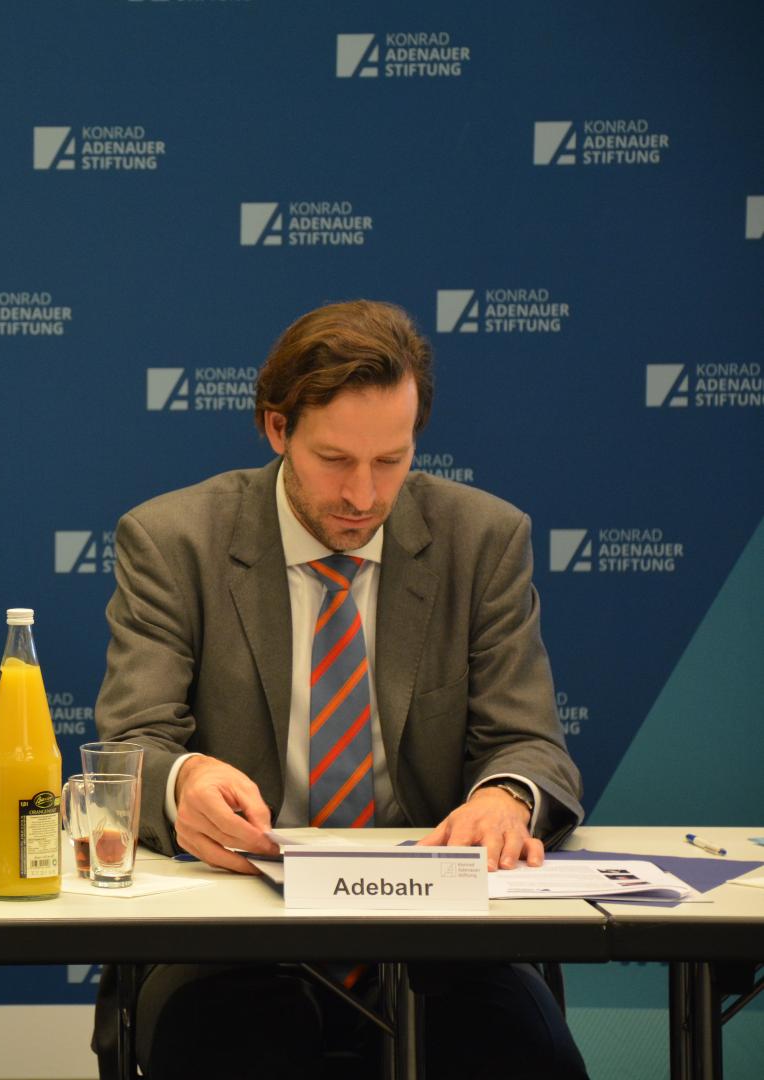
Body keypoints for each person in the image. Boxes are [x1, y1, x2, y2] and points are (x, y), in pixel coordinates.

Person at [91, 300, 587, 1078]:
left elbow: (529, 744)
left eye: (391, 460)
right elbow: (132, 743)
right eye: (334, 460)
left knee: (516, 1049)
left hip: (439, 941)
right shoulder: (174, 541)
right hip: (233, 938)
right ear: (277, 429)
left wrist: (505, 798)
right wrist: (185, 781)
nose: (363, 495)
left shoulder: (482, 542)